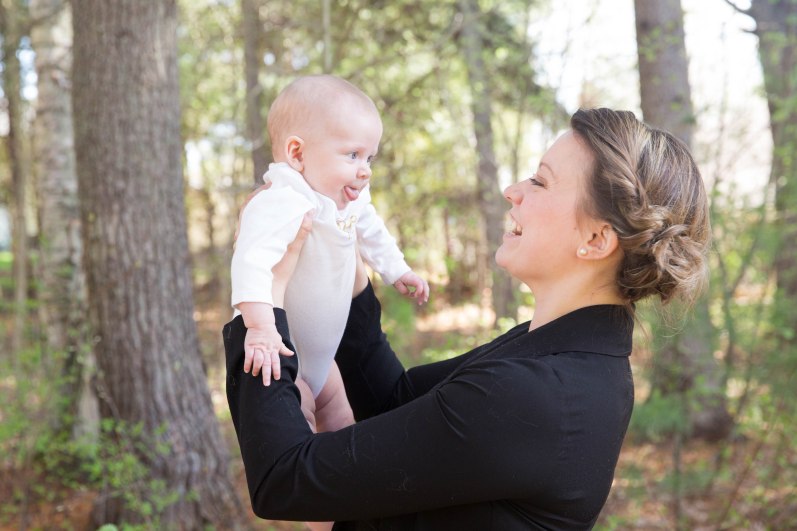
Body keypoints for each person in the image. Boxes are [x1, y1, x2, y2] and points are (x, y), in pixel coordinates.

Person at [224, 108, 710, 529]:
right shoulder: (562, 353)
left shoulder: (536, 393)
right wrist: (337, 250)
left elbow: (282, 480)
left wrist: (263, 301)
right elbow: (392, 406)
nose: (513, 190)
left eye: (540, 181)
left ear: (597, 240)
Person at [231, 75, 429, 435]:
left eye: (369, 157)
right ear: (297, 153)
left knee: (342, 425)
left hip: (323, 360)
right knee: (301, 434)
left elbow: (372, 230)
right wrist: (260, 328)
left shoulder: (347, 198)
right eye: (352, 155)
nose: (365, 169)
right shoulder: (281, 199)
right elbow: (250, 262)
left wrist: (397, 270)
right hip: (281, 351)